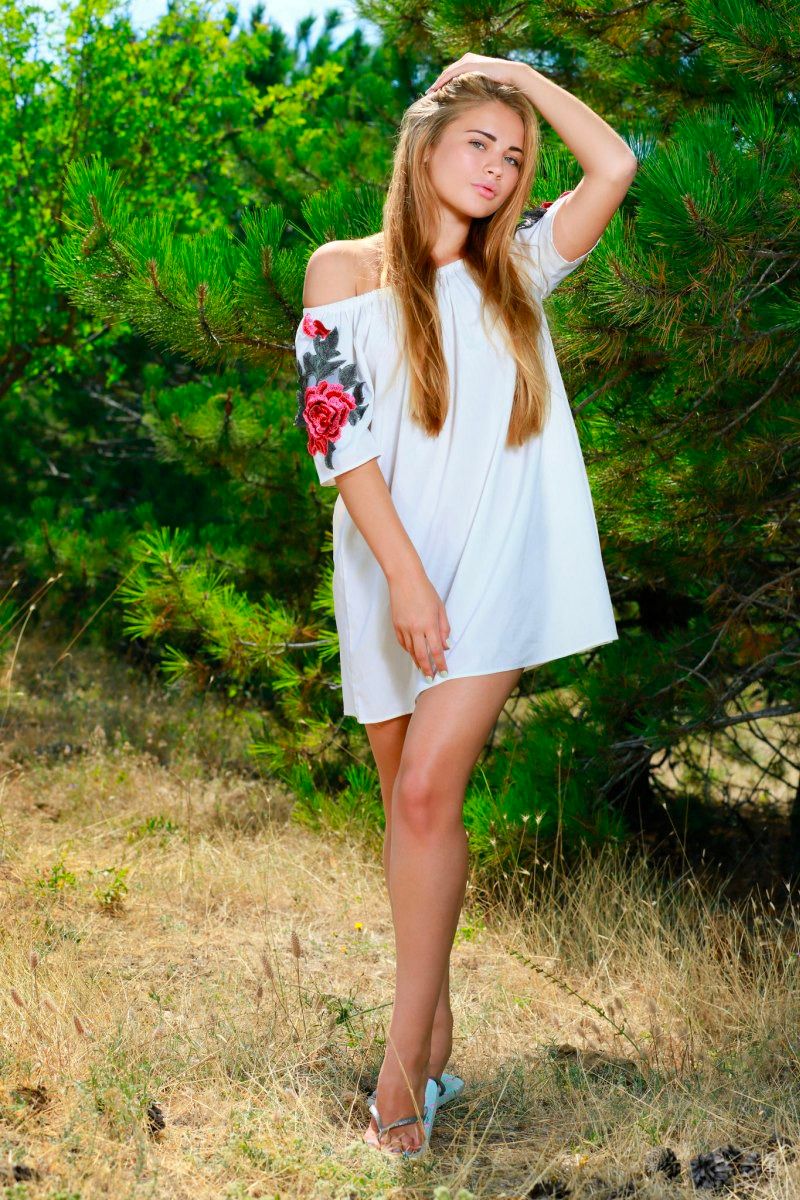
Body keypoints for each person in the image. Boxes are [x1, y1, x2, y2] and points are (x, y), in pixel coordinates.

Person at [294, 53, 637, 1159]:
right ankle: (435, 1028)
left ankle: (401, 1076)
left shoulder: (520, 268)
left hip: (491, 565)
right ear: (424, 144)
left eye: (513, 154)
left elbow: (614, 165)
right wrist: (402, 576)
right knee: (408, 809)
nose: (496, 167)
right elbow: (336, 435)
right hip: (385, 562)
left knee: (428, 791)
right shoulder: (340, 270)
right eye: (477, 141)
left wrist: (513, 75)